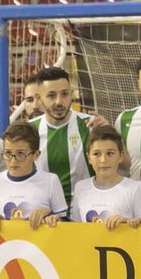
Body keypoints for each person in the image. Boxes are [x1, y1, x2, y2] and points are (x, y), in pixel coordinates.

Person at [0, 122, 68, 231]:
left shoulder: (51, 181)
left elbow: (64, 221)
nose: (13, 161)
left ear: (36, 155)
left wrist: (51, 215)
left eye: (21, 154)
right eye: (8, 153)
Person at [29, 66, 93, 209]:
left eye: (64, 94)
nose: (59, 101)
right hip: (43, 215)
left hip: (85, 214)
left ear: (71, 94)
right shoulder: (29, 131)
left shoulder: (91, 125)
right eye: (51, 95)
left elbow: (124, 165)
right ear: (39, 98)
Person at [70, 125, 141, 228]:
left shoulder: (135, 189)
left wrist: (127, 223)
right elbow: (75, 229)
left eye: (110, 153)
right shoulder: (80, 188)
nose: (103, 160)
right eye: (97, 154)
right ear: (89, 157)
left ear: (121, 156)